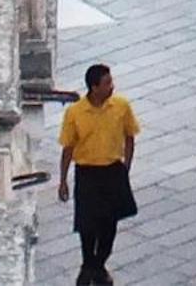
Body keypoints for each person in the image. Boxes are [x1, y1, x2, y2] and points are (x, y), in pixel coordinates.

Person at [56, 63, 140, 286]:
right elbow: (68, 147)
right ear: (94, 87)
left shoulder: (121, 106)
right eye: (107, 83)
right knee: (87, 225)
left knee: (109, 226)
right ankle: (91, 266)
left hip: (112, 171)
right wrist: (63, 180)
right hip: (87, 173)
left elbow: (130, 136)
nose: (112, 86)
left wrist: (126, 167)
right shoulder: (75, 113)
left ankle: (94, 265)